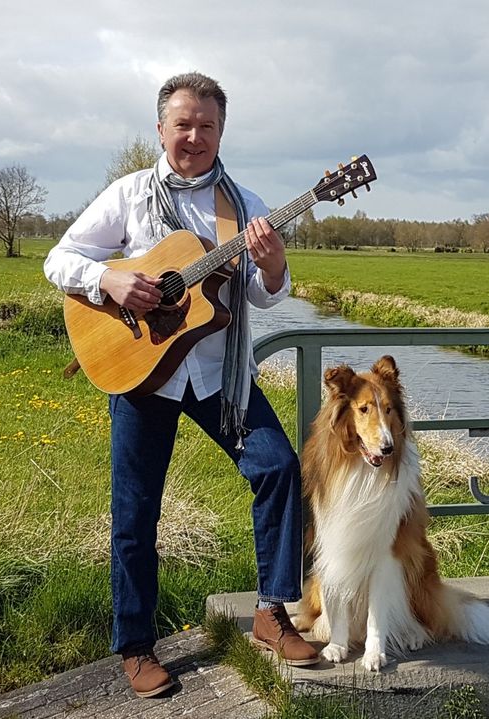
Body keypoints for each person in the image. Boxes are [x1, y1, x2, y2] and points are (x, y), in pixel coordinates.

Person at [44, 71, 318, 698]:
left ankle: (271, 613)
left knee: (279, 469)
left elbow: (259, 296)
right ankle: (136, 647)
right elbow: (59, 259)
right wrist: (108, 283)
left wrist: (274, 267)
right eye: (183, 124)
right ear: (161, 128)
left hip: (219, 375)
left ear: (223, 131)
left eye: (207, 126)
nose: (194, 136)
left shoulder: (243, 206)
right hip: (141, 373)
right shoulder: (130, 194)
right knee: (135, 512)